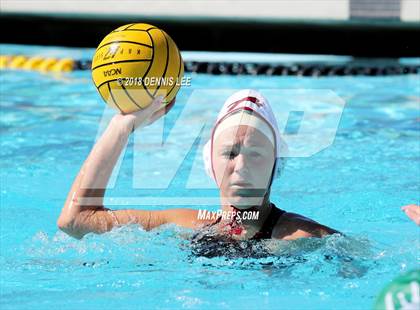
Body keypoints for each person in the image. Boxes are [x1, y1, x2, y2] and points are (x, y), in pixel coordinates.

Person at [57, 89, 338, 241]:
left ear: (277, 164)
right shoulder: (184, 224)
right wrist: (121, 125)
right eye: (230, 153)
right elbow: (76, 221)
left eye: (256, 154)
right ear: (209, 164)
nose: (241, 166)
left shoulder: (306, 237)